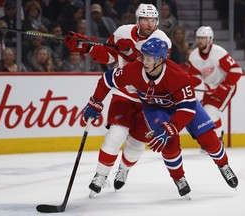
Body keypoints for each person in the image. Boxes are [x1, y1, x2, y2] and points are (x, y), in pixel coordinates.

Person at [82, 38, 238, 197]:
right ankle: (179, 178)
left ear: (161, 60)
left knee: (209, 138)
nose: (144, 61)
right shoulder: (133, 69)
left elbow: (187, 109)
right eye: (143, 56)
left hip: (185, 108)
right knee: (169, 144)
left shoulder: (178, 76)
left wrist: (172, 127)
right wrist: (95, 101)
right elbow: (107, 80)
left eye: (149, 59)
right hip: (155, 108)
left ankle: (223, 165)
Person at [64, 3, 172, 198]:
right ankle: (100, 175)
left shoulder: (162, 40)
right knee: (115, 135)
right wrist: (86, 47)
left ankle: (124, 169)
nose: (149, 24)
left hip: (149, 100)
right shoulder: (123, 32)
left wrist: (132, 55)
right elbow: (108, 56)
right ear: (137, 20)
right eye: (145, 19)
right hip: (124, 94)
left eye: (153, 20)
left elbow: (152, 71)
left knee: (136, 146)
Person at [188, 26, 243, 143]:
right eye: (198, 38)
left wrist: (224, 86)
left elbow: (236, 70)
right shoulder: (193, 56)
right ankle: (215, 138)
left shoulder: (219, 52)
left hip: (226, 87)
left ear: (210, 39)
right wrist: (187, 85)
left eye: (203, 38)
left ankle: (217, 140)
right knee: (204, 114)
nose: (200, 41)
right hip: (210, 88)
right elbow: (196, 77)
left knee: (210, 112)